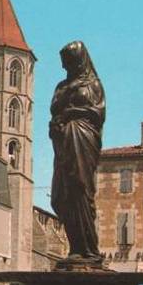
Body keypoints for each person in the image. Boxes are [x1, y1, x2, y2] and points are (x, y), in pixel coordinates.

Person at [49, 40, 106, 262]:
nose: (65, 68)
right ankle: (75, 247)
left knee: (81, 189)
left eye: (68, 62)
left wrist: (70, 112)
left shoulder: (93, 85)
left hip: (82, 138)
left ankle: (88, 250)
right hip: (62, 142)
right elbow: (54, 110)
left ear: (79, 60)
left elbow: (97, 113)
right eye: (63, 64)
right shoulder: (61, 86)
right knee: (62, 196)